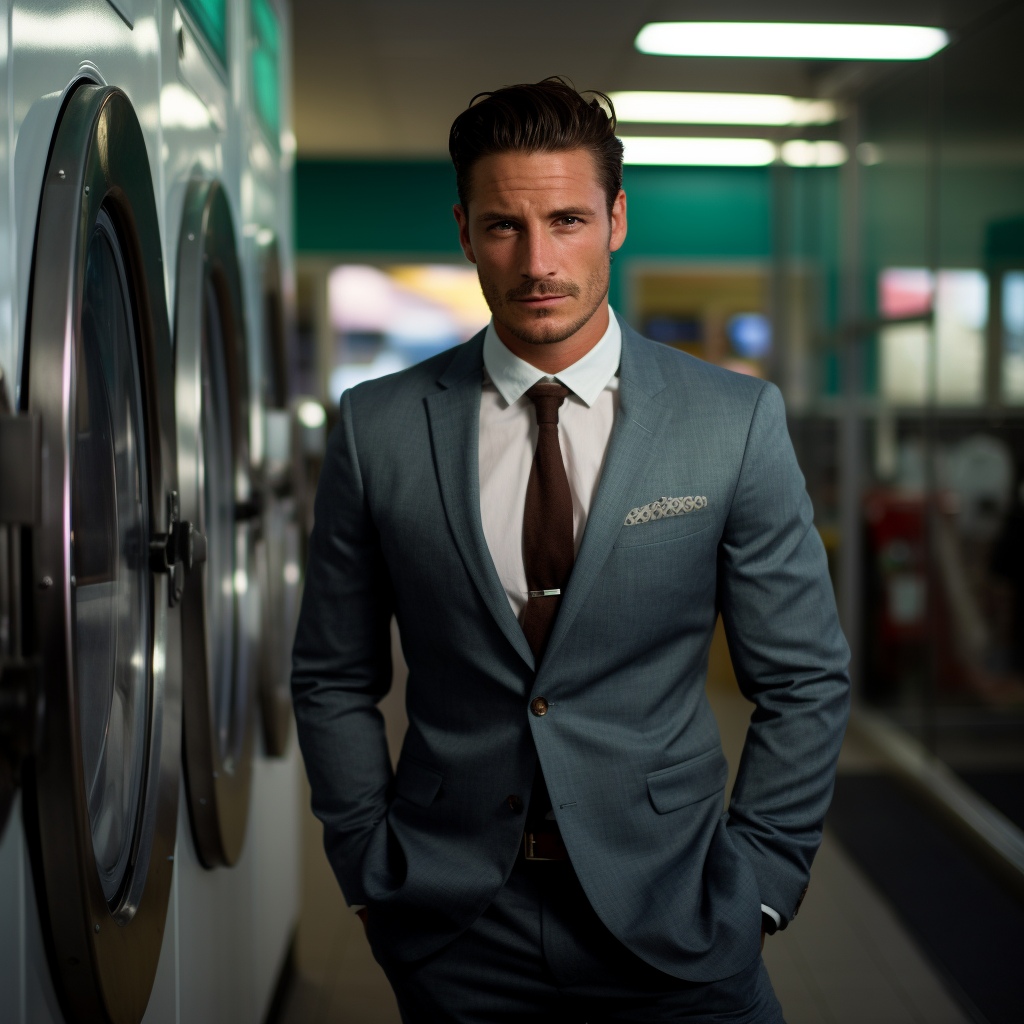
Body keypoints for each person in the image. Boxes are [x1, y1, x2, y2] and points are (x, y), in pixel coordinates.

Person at [292, 77, 850, 1023]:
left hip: (677, 911)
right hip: (455, 922)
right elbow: (332, 676)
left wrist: (758, 882)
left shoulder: (732, 421)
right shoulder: (377, 427)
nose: (539, 260)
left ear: (617, 219)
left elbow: (804, 677)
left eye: (568, 220)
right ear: (465, 231)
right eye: (506, 226)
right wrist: (365, 866)